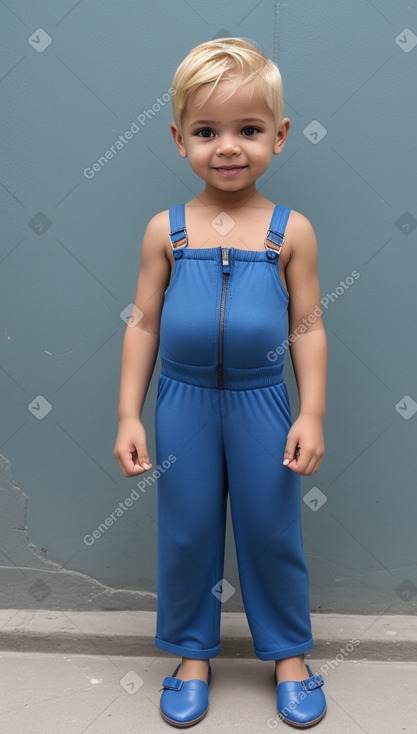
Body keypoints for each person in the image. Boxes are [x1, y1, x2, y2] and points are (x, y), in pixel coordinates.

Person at [113, 37, 328, 729]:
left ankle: (289, 655)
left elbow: (309, 328)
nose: (227, 147)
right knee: (186, 531)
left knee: (271, 528)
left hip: (264, 403)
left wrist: (311, 412)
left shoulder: (290, 231)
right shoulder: (164, 232)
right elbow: (143, 324)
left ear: (279, 136)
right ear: (179, 140)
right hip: (181, 404)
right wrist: (129, 414)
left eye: (248, 130)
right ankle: (191, 653)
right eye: (207, 132)